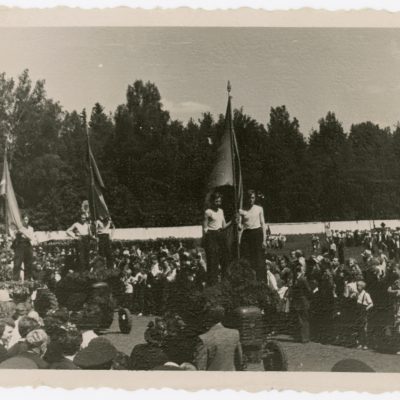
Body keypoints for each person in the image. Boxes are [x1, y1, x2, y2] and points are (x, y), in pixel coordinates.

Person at [194, 306, 243, 371]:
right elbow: (240, 361)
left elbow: (201, 368)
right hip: (231, 377)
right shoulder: (234, 334)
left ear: (208, 318)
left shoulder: (204, 339)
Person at [239, 189, 267, 281]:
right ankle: (248, 280)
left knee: (259, 259)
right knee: (247, 259)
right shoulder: (242, 210)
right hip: (247, 235)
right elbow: (240, 226)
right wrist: (237, 223)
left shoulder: (259, 209)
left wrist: (264, 240)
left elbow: (263, 224)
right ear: (246, 199)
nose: (250, 200)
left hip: (257, 234)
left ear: (255, 198)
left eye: (252, 198)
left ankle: (261, 281)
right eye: (249, 198)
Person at [203, 192, 228, 285]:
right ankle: (213, 283)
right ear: (212, 201)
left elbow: (224, 226)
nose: (218, 203)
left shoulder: (221, 211)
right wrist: (208, 238)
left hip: (220, 235)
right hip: (211, 236)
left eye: (220, 201)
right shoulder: (208, 212)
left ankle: (224, 282)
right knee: (213, 261)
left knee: (224, 259)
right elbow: (205, 228)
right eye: (216, 201)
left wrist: (233, 221)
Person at [291, 265, 312, 343]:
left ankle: (304, 337)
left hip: (301, 301)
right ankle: (304, 337)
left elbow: (307, 290)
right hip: (302, 301)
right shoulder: (301, 279)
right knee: (303, 319)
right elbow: (309, 289)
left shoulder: (299, 279)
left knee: (302, 319)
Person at [12, 215, 37, 281]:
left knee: (28, 263)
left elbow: (31, 238)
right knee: (17, 263)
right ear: (22, 220)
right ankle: (15, 280)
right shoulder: (18, 228)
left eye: (27, 220)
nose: (26, 221)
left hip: (28, 246)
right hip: (20, 246)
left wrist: (23, 232)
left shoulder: (31, 228)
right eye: (24, 219)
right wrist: (16, 232)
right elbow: (14, 237)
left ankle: (27, 280)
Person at [355, 280, 373, 350]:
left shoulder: (366, 294)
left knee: (364, 328)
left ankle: (365, 344)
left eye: (358, 286)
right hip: (358, 312)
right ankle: (359, 343)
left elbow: (371, 304)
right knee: (359, 328)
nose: (357, 287)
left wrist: (366, 309)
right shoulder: (357, 294)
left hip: (364, 312)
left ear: (362, 287)